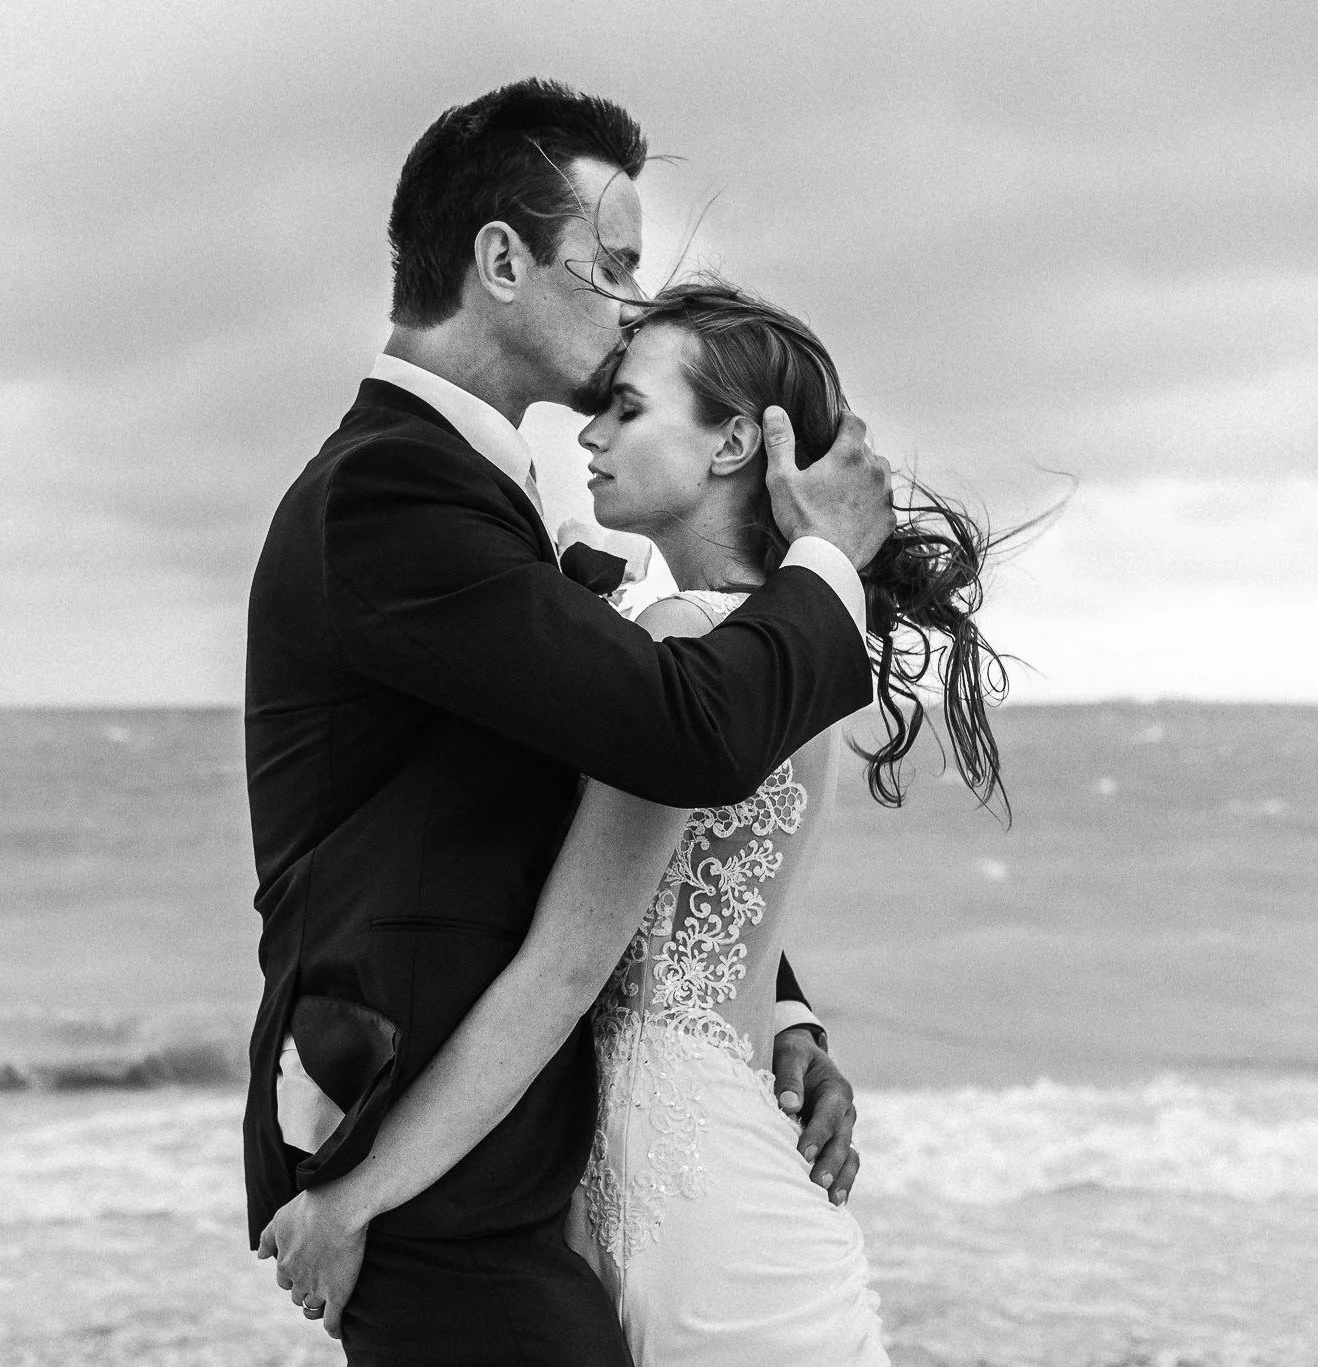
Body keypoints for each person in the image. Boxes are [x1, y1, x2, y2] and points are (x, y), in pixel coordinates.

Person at [242, 81, 896, 1364]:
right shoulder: (392, 490)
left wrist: (769, 1007)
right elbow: (675, 740)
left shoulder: (481, 497)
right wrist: (829, 571)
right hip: (419, 1131)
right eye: (609, 267)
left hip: (553, 1149)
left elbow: (631, 832)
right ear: (499, 260)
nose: (629, 304)